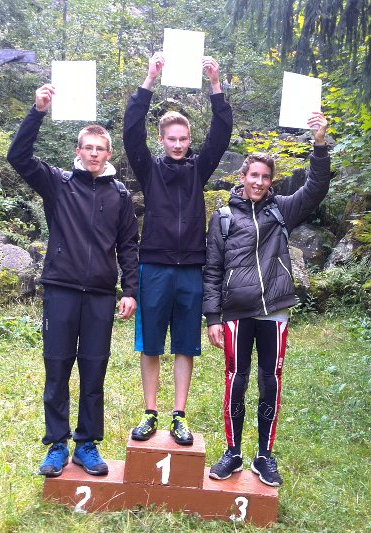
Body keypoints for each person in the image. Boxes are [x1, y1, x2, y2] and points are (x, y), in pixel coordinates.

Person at [7, 84, 139, 477]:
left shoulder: (120, 195)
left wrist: (130, 290)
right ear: (78, 151)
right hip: (61, 291)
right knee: (58, 368)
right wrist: (38, 111)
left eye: (101, 148)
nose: (94, 153)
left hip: (100, 296)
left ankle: (86, 445)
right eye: (88, 147)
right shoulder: (58, 183)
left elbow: (128, 246)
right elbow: (18, 156)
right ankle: (57, 445)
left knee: (94, 371)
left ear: (109, 154)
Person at [203, 112, 330, 485]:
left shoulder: (282, 210)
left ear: (271, 181)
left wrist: (319, 144)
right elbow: (212, 270)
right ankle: (233, 452)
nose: (259, 182)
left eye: (265, 177)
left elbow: (316, 188)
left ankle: (264, 456)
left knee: (270, 382)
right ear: (242, 177)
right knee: (235, 381)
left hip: (274, 312)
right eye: (253, 175)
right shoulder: (223, 217)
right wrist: (213, 318)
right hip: (235, 313)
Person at [123, 53, 232, 445]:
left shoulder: (198, 169)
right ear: (162, 140)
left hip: (190, 269)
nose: (178, 145)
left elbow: (222, 133)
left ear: (189, 141)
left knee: (186, 344)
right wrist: (149, 80)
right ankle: (150, 413)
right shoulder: (149, 169)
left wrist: (215, 84)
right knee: (151, 343)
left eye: (184, 139)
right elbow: (130, 131)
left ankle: (178, 415)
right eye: (172, 139)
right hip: (154, 266)